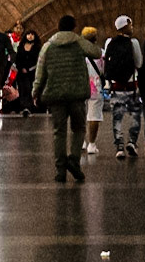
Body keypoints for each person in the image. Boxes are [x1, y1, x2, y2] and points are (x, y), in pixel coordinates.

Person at [33, 15, 100, 183]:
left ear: (58, 26)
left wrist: (36, 91)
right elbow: (97, 53)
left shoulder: (48, 46)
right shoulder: (78, 42)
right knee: (79, 129)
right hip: (77, 94)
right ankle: (74, 160)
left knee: (59, 132)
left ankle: (60, 170)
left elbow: (40, 72)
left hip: (55, 95)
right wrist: (87, 39)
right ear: (73, 27)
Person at [103, 14, 143, 159]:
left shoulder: (109, 42)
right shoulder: (134, 43)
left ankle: (119, 146)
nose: (132, 28)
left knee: (117, 117)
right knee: (135, 115)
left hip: (116, 86)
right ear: (125, 26)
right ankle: (132, 141)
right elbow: (139, 63)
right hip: (131, 85)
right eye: (130, 25)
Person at [81, 26, 104, 154]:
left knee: (80, 115)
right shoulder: (101, 53)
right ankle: (92, 144)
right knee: (94, 116)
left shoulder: (78, 54)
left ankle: (81, 142)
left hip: (79, 87)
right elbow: (104, 70)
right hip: (95, 87)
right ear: (95, 38)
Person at [13, 27, 42, 116]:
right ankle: (23, 106)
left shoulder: (37, 47)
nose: (30, 36)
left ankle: (30, 106)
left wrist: (30, 69)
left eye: (32, 34)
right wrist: (21, 68)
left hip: (32, 72)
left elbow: (39, 60)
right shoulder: (21, 47)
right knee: (22, 89)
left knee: (30, 89)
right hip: (21, 72)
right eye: (28, 34)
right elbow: (17, 59)